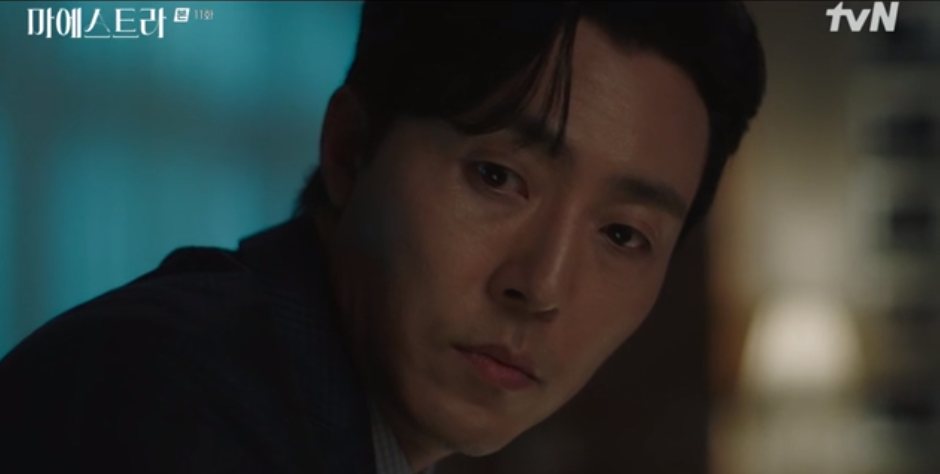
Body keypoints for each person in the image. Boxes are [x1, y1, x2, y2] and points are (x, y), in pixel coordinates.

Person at [0, 2, 766, 473]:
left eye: (624, 234)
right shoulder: (173, 398)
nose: (541, 285)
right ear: (350, 150)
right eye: (497, 176)